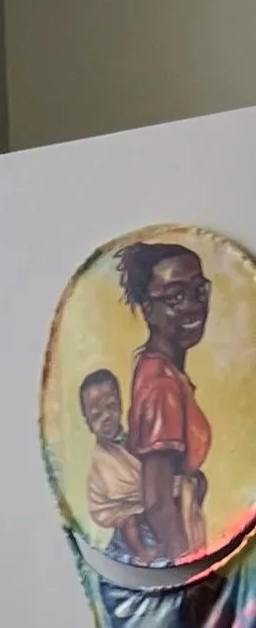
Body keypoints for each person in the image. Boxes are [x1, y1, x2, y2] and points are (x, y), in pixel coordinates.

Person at [120, 240, 213, 565]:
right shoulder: (162, 384)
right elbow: (158, 504)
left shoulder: (161, 370)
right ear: (148, 309)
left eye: (199, 291)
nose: (192, 306)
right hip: (165, 548)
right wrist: (189, 569)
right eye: (175, 296)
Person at [80, 367, 154, 561]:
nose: (106, 418)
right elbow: (114, 488)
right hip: (117, 508)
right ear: (88, 423)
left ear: (121, 405)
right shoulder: (101, 458)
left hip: (147, 509)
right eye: (96, 415)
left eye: (111, 407)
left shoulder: (134, 439)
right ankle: (142, 554)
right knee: (129, 522)